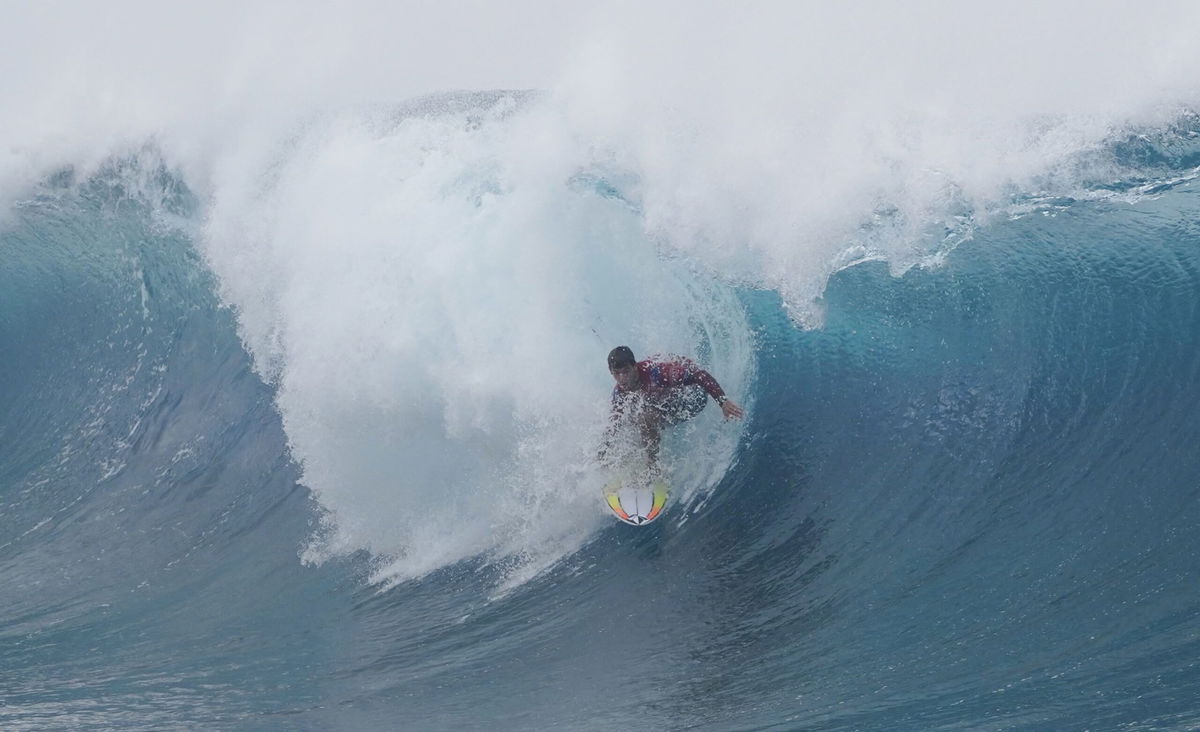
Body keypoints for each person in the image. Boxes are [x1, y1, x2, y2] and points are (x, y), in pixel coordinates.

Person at [600, 345, 744, 470]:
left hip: (694, 398)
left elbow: (698, 375)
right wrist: (602, 453)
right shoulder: (620, 393)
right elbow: (614, 425)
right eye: (616, 374)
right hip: (664, 404)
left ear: (635, 367)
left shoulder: (656, 373)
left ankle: (653, 466)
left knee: (645, 417)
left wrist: (722, 401)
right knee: (629, 420)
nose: (622, 378)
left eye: (625, 371)